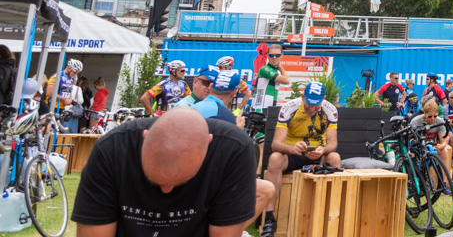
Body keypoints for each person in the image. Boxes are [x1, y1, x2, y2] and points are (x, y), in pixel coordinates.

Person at [72, 106, 262, 237]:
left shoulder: (232, 150)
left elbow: (224, 233)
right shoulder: (112, 149)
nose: (166, 190)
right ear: (145, 137)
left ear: (208, 144)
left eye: (181, 181)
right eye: (155, 180)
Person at [261, 81, 341, 237]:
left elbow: (333, 143)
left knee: (335, 157)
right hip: (293, 153)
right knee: (275, 158)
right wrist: (291, 148)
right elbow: (276, 144)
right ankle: (270, 219)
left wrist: (322, 150)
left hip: (317, 154)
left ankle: (332, 217)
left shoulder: (330, 110)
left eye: (316, 106)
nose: (311, 109)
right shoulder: (289, 107)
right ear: (303, 96)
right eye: (308, 104)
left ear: (323, 98)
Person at [412, 97, 453, 172]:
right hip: (417, 147)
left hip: (432, 146)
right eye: (430, 116)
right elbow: (411, 140)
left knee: (444, 151)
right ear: (424, 114)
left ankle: (444, 181)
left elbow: (443, 141)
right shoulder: (416, 121)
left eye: (435, 116)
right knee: (411, 153)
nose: (432, 119)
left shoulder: (439, 121)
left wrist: (441, 146)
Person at [253, 46, 290, 111]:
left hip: (270, 107)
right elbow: (286, 80)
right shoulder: (265, 69)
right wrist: (281, 67)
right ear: (267, 56)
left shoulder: (276, 71)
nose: (274, 57)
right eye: (271, 55)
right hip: (260, 108)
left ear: (281, 55)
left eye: (277, 55)